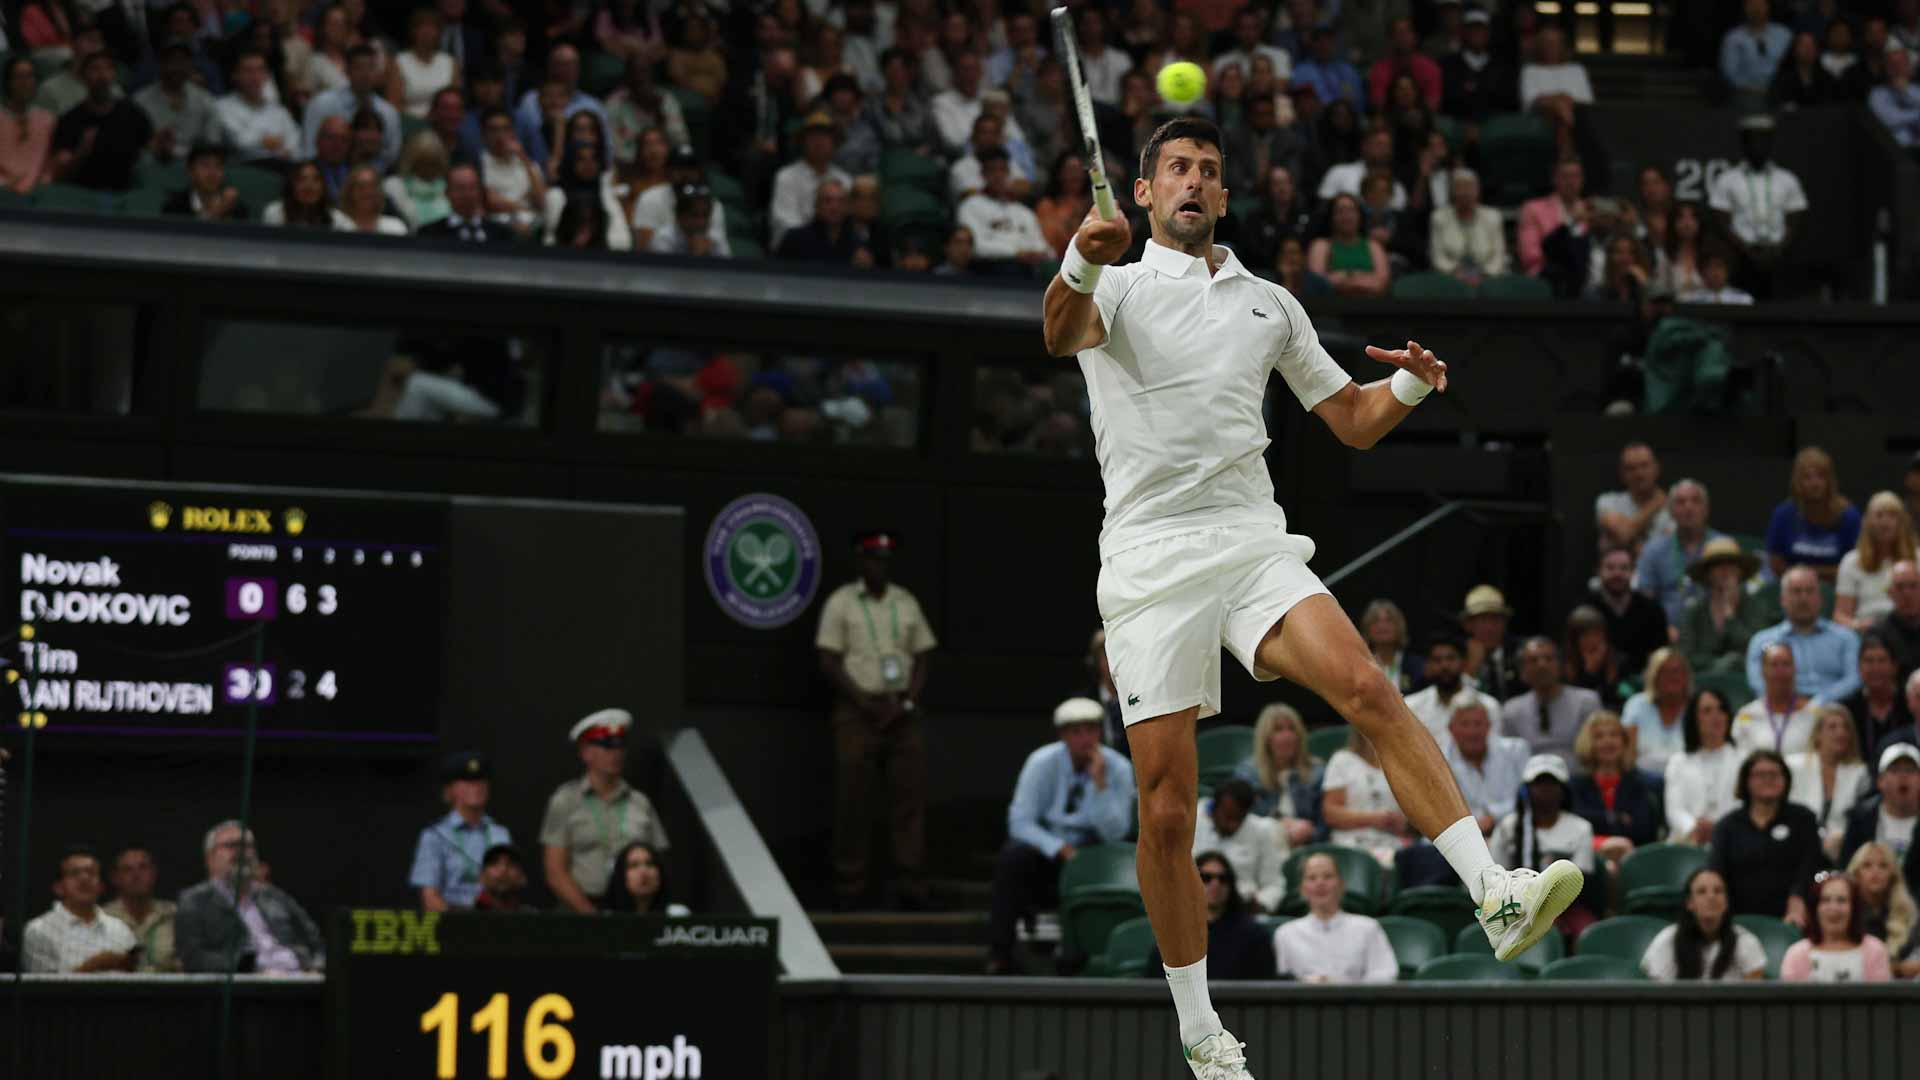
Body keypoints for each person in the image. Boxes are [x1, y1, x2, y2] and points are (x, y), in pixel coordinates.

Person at [1043, 116, 1578, 1074]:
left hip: (1251, 541)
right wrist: (1083, 257)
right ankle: (1202, 1033)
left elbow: (1352, 420)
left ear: (1223, 194)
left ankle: (1494, 892)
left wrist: (1410, 390)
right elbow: (1058, 332)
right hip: (1149, 559)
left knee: (1367, 687)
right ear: (1146, 191)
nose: (1194, 182)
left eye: (1209, 170)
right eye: (1177, 169)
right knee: (1166, 811)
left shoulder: (1271, 304)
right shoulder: (1112, 286)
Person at [815, 529, 937, 909]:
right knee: (853, 798)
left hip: (902, 711)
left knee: (909, 800)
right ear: (860, 561)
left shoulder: (905, 601)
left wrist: (907, 702)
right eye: (872, 560)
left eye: (884, 560)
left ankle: (911, 884)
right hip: (857, 710)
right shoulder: (842, 603)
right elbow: (828, 659)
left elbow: (924, 656)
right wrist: (863, 702)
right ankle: (849, 886)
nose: (878, 567)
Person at [987, 697, 1136, 973]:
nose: (1085, 739)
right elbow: (1020, 822)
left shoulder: (1119, 768)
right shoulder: (1041, 762)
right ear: (1063, 735)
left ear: (1100, 732)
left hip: (1094, 854)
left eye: (1091, 730)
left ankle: (1077, 954)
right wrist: (1058, 847)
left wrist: (1100, 785)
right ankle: (1001, 954)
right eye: (1076, 731)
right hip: (1050, 853)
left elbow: (1116, 833)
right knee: (1012, 858)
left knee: (1106, 861)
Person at [539, 708, 671, 914]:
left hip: (633, 911)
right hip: (579, 912)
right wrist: (592, 915)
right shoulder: (565, 801)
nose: (615, 753)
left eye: (620, 746)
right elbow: (555, 871)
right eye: (607, 746)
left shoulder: (640, 802)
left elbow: (658, 862)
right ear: (585, 752)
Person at [176, 821, 324, 973]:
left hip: (301, 977)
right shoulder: (194, 900)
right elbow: (194, 958)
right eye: (232, 845)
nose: (241, 852)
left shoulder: (274, 896)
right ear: (210, 858)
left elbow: (316, 942)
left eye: (247, 846)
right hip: (249, 982)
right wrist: (248, 967)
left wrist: (317, 966)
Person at [1710, 751, 1824, 925]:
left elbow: (1810, 864)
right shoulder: (1727, 825)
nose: (1768, 779)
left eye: (1774, 774)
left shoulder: (1803, 819)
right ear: (1746, 781)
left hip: (1792, 914)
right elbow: (1717, 871)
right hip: (1736, 915)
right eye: (1760, 775)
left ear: (1785, 779)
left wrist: (1797, 897)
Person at [1491, 754, 1598, 935]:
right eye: (1538, 784)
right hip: (1515, 907)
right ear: (1527, 789)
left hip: (1567, 908)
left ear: (1563, 790)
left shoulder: (1581, 828)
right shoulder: (1508, 827)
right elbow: (1495, 878)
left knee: (1587, 931)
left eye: (1552, 784)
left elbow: (1581, 881)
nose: (1545, 790)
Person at [1709, 114, 1807, 298]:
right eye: (1752, 139)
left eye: (1763, 139)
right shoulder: (1727, 180)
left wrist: (1778, 250)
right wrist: (1747, 251)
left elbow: (1796, 221)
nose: (1757, 145)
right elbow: (1721, 222)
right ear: (1743, 143)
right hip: (1741, 259)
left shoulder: (1788, 180)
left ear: (1771, 143)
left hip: (1778, 258)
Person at [1145, 853, 1280, 980]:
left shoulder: (1254, 936)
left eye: (1223, 879)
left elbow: (1264, 987)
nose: (1215, 884)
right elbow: (1152, 986)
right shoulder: (1174, 937)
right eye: (1206, 878)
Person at [1271, 852, 1399, 984]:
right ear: (1302, 889)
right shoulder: (1285, 934)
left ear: (1341, 884)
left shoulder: (1368, 928)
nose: (1320, 883)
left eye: (1328, 876)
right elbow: (1280, 982)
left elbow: (1385, 974)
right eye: (1312, 878)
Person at [409, 751, 513, 912]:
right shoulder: (435, 835)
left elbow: (509, 892)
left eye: (481, 781)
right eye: (468, 782)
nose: (476, 787)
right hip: (450, 919)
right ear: (451, 789)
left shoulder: (500, 834)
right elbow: (429, 897)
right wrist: (460, 923)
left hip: (493, 919)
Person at [1746, 567, 1863, 705]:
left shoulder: (1846, 638)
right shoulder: (1762, 641)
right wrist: (1790, 705)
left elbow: (1854, 678)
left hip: (1835, 709)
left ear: (1820, 598)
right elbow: (1757, 684)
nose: (1803, 598)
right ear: (1783, 600)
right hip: (1782, 710)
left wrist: (1819, 703)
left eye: (1810, 591)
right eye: (1796, 591)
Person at [22, 846, 138, 973]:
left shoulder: (120, 929)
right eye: (74, 873)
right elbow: (41, 984)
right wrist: (95, 965)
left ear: (101, 886)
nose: (84, 878)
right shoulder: (38, 930)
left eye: (91, 873)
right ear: (58, 887)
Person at [49, 50, 152, 192]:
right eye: (95, 69)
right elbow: (60, 173)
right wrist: (80, 154)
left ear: (114, 75)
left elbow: (151, 148)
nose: (102, 75)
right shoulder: (70, 120)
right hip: (82, 195)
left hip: (126, 194)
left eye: (108, 68)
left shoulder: (132, 114)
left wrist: (162, 146)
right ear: (83, 77)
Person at [1640, 867, 1768, 980]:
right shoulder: (1668, 940)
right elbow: (1657, 997)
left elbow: (1753, 998)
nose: (1711, 897)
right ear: (1689, 903)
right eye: (1701, 891)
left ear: (1726, 902)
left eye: (1718, 891)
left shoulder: (1745, 941)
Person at [1634, 479, 1725, 627]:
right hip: (1667, 631)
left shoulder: (1723, 546)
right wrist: (1661, 629)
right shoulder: (1653, 550)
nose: (1688, 507)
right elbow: (1644, 602)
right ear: (1670, 511)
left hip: (1714, 630)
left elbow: (1735, 597)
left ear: (1706, 508)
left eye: (1696, 501)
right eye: (1680, 502)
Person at [1569, 711, 1657, 865]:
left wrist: (1600, 820)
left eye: (1614, 735)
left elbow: (1642, 830)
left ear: (1624, 742)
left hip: (1631, 859)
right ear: (1588, 743)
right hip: (1588, 858)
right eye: (1599, 736)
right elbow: (1575, 824)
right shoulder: (1576, 785)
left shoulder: (1638, 785)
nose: (1608, 741)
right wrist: (1617, 819)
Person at [1504, 636, 1603, 768]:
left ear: (1560, 665)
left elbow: (1598, 750)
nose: (1542, 665)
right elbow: (1509, 758)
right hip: (1529, 777)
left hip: (1578, 777)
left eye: (1549, 659)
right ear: (1522, 670)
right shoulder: (1512, 710)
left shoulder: (1586, 701)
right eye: (1533, 660)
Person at [1191, 778, 1288, 912]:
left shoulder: (1261, 831)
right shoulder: (1190, 821)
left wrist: (1259, 904)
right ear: (1215, 808)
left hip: (1240, 909)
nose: (1233, 825)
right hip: (1191, 905)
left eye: (1239, 818)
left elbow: (1274, 884)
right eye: (1228, 817)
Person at [1677, 538, 1770, 677]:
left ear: (1740, 571)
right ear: (1707, 573)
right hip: (1703, 681)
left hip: (1745, 680)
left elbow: (1757, 649)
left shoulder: (1756, 607)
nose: (1725, 570)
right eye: (1718, 564)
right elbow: (1685, 656)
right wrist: (1716, 664)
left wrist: (1729, 615)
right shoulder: (1695, 611)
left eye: (1731, 563)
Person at [1230, 703, 1322, 841]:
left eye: (1292, 729)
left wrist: (1309, 832)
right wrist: (1282, 825)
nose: (1287, 736)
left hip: (1307, 844)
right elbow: (1245, 817)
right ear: (1266, 738)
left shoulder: (1317, 771)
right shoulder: (1248, 773)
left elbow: (1324, 822)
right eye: (1278, 730)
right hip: (1261, 841)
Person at [1322, 727, 1414, 865]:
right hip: (1352, 843)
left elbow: (1416, 819)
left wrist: (1404, 825)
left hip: (1396, 844)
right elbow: (1331, 814)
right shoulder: (1342, 760)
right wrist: (1373, 819)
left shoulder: (1403, 763)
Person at [1788, 705, 1869, 860]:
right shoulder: (1794, 766)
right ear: (1818, 734)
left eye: (1846, 727)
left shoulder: (1859, 773)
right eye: (1833, 727)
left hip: (1840, 849)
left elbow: (1860, 821)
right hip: (1797, 843)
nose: (1841, 732)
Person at [1440, 697, 1531, 835]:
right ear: (1451, 729)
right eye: (1464, 724)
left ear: (1489, 726)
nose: (1472, 732)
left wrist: (1494, 816)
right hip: (1463, 836)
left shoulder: (1516, 750)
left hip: (1515, 832)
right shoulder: (1440, 763)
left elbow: (1528, 795)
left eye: (1478, 724)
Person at [1780, 871, 1893, 981]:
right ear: (1815, 908)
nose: (1833, 908)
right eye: (1825, 900)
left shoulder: (1875, 950)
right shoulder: (1797, 954)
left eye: (1841, 900)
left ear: (1854, 908)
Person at [1767, 448, 1861, 581]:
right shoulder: (1783, 514)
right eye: (1807, 477)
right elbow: (1776, 564)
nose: (1814, 483)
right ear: (1797, 481)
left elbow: (1855, 567)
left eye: (1820, 476)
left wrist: (1808, 571)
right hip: (1793, 586)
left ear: (1830, 480)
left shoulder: (1848, 516)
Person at [302, 44, 402, 169]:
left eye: (371, 68)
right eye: (358, 68)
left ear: (377, 72)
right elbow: (309, 149)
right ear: (347, 71)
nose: (365, 74)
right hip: (326, 172)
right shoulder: (322, 103)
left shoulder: (388, 112)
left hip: (374, 173)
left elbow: (392, 155)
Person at [1667, 689, 1745, 845]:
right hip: (1688, 841)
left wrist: (1718, 829)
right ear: (1694, 718)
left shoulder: (1744, 759)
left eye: (1721, 709)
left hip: (1732, 840)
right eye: (1707, 711)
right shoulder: (1678, 761)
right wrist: (1694, 828)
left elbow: (1745, 806)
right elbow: (1674, 810)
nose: (1716, 716)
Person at [769, 112, 854, 248]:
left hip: (837, 250)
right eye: (813, 135)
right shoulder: (786, 177)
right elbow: (785, 223)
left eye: (825, 136)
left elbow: (849, 223)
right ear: (803, 142)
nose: (819, 141)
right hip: (797, 250)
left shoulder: (845, 180)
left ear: (835, 142)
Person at [957, 147, 1049, 269]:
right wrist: (1016, 254)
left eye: (1003, 170)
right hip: (991, 267)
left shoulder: (1023, 211)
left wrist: (1040, 253)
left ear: (1009, 173)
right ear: (983, 174)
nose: (998, 176)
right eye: (992, 170)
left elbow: (1041, 244)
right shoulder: (970, 206)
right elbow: (976, 246)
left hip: (1029, 267)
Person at [1836, 492, 1918, 629]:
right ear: (1867, 522)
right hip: (1867, 632)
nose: (1885, 522)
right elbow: (1841, 616)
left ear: (1902, 522)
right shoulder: (1851, 561)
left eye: (1892, 515)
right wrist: (1858, 625)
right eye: (1879, 515)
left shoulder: (1918, 557)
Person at [1838, 744, 1920, 880]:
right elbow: (1846, 869)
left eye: (1910, 770)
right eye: (1894, 770)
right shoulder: (1860, 819)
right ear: (1880, 781)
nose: (1903, 776)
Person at [1404, 630, 1505, 740]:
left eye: (1451, 658)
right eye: (1437, 660)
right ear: (1428, 665)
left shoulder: (1488, 706)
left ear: (1463, 662)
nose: (1444, 665)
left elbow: (1494, 747)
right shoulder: (1411, 707)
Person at [1589, 546, 1670, 673]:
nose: (1617, 574)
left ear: (1633, 572)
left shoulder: (1652, 610)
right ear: (1598, 571)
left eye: (1624, 568)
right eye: (1610, 568)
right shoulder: (1587, 608)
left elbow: (1661, 657)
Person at [1734, 641, 1822, 756]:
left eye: (1786, 664)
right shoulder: (1746, 714)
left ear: (1795, 669)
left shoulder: (1815, 713)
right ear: (1762, 671)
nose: (1780, 671)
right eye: (1774, 665)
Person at [101, 844, 178, 972]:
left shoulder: (175, 915)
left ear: (154, 873)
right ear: (115, 878)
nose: (136, 875)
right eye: (127, 869)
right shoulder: (102, 918)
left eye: (143, 867)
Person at [1845, 841, 1917, 971]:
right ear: (1856, 873)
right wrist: (1899, 968)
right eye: (1867, 865)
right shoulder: (1844, 912)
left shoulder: (1909, 914)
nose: (1875, 871)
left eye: (1883, 866)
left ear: (1893, 874)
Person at [1427, 168, 1507, 286]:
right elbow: (1437, 257)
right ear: (1453, 192)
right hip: (1450, 278)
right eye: (1460, 188)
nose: (1464, 193)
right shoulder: (1439, 218)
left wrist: (1484, 274)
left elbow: (1498, 257)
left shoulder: (1493, 217)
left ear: (1478, 191)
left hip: (1488, 278)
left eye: (1469, 187)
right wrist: (1455, 273)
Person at [1622, 647, 1693, 773]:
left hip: (1687, 778)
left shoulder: (1697, 708)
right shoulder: (1637, 705)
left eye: (1677, 671)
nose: (1673, 677)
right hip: (1642, 779)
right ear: (1654, 676)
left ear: (1686, 676)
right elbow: (1627, 754)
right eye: (1665, 672)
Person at [1307, 192, 1391, 298]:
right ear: (1331, 217)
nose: (1346, 216)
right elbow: (1318, 283)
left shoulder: (1374, 246)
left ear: (1360, 215)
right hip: (1330, 304)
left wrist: (1343, 277)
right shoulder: (1320, 246)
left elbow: (1381, 283)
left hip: (1371, 305)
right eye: (1340, 211)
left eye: (1352, 211)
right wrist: (1362, 278)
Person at [1844, 637, 1915, 758]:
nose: (1875, 668)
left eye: (1882, 661)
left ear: (1894, 666)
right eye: (1869, 661)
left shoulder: (1910, 703)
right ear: (1859, 667)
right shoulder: (1849, 709)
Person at [388, 8, 459, 120]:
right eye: (422, 27)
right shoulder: (399, 62)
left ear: (439, 32)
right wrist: (419, 121)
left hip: (445, 122)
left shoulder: (449, 62)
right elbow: (394, 104)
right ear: (413, 32)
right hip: (409, 123)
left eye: (432, 27)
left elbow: (457, 102)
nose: (427, 32)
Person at [1720, 0, 1792, 108]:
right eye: (1752, 5)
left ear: (1768, 7)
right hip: (1746, 93)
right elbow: (1730, 74)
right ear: (1745, 9)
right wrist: (1755, 89)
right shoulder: (1733, 38)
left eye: (1760, 5)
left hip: (1782, 91)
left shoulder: (1784, 34)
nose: (1756, 9)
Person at [417, 163, 513, 243]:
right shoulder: (429, 234)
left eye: (472, 188)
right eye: (460, 189)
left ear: (481, 192)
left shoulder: (502, 235)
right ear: (447, 193)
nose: (467, 194)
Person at [1460, 585, 1522, 700]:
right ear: (1468, 625)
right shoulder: (1457, 657)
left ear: (1505, 623)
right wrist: (1471, 670)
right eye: (1483, 620)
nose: (1490, 628)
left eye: (1495, 619)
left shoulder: (1520, 653)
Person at [599, 841, 689, 916]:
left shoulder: (677, 915)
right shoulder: (608, 918)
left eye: (650, 864)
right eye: (633, 865)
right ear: (621, 876)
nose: (643, 871)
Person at [1563, 605, 1626, 711]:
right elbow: (1570, 703)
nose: (1593, 641)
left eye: (1597, 634)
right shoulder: (1562, 663)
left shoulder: (1620, 661)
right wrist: (1589, 673)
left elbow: (1623, 699)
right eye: (1586, 635)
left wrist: (1610, 682)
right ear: (1574, 640)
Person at [162, 143, 247, 221]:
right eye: (205, 165)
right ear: (190, 171)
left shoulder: (236, 209)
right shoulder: (174, 207)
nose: (212, 173)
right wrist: (217, 212)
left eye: (218, 165)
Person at [1870, 562, 1920, 686]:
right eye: (1900, 587)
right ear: (1890, 592)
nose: (1907, 593)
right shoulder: (1877, 634)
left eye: (1913, 586)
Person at [262, 160, 348, 228]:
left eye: (316, 180)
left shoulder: (336, 219)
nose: (309, 186)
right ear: (291, 185)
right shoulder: (275, 213)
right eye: (302, 179)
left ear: (323, 187)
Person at [1358, 599, 1418, 694]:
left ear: (1399, 627)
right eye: (1375, 621)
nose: (1382, 626)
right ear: (1367, 629)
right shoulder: (1360, 666)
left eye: (1389, 620)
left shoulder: (1416, 666)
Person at [1869, 44, 1920, 150]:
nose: (1897, 68)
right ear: (1886, 68)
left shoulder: (1916, 90)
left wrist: (1907, 92)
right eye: (1892, 64)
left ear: (1909, 66)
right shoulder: (1877, 94)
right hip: (1892, 151)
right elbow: (1888, 121)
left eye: (1902, 63)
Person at [337, 164, 409, 235]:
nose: (368, 192)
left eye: (373, 187)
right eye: (361, 187)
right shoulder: (337, 223)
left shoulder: (395, 227)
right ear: (350, 192)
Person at [472, 844, 531, 912]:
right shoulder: (467, 915)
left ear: (522, 877)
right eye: (494, 863)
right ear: (482, 876)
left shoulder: (532, 915)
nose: (503, 869)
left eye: (511, 864)